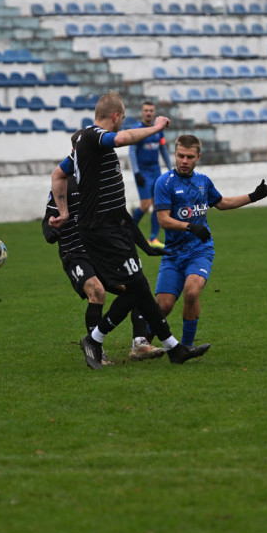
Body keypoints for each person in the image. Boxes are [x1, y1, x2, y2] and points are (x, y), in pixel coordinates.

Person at [49, 91, 210, 370]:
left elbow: (58, 175)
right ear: (116, 116)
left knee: (139, 287)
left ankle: (173, 348)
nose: (123, 124)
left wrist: (64, 212)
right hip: (102, 231)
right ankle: (95, 339)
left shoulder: (85, 148)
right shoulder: (93, 136)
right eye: (123, 118)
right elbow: (122, 139)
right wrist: (157, 127)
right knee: (135, 288)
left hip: (112, 228)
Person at [43, 137, 166, 364]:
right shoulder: (64, 184)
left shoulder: (101, 181)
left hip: (101, 250)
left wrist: (146, 246)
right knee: (97, 291)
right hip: (75, 253)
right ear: (74, 153)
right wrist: (53, 229)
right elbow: (47, 224)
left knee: (139, 287)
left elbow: (123, 217)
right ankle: (96, 349)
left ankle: (140, 344)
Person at [154, 135, 267, 347]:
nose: (184, 161)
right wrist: (190, 226)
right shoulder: (165, 183)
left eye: (189, 157)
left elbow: (222, 203)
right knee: (163, 306)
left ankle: (186, 348)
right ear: (175, 154)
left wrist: (253, 196)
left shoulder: (203, 182)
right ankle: (143, 343)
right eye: (180, 156)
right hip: (173, 253)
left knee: (191, 292)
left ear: (198, 157)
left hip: (200, 251)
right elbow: (163, 220)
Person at [128, 101, 173, 249]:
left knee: (157, 205)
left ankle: (153, 238)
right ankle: (129, 232)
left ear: (154, 113)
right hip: (142, 172)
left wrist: (170, 169)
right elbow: (132, 152)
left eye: (151, 110)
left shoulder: (158, 130)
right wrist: (136, 172)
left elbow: (163, 150)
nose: (148, 113)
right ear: (142, 112)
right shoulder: (137, 129)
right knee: (145, 205)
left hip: (155, 171)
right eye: (146, 110)